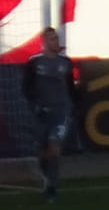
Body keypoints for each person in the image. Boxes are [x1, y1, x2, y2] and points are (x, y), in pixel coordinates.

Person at [20, 26, 81, 199]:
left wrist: (76, 105)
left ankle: (52, 187)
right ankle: (46, 178)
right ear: (44, 42)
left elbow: (70, 87)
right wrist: (35, 105)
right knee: (42, 150)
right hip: (41, 113)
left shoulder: (66, 63)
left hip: (61, 112)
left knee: (54, 148)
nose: (56, 42)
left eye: (56, 38)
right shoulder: (34, 63)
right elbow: (26, 87)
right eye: (52, 39)